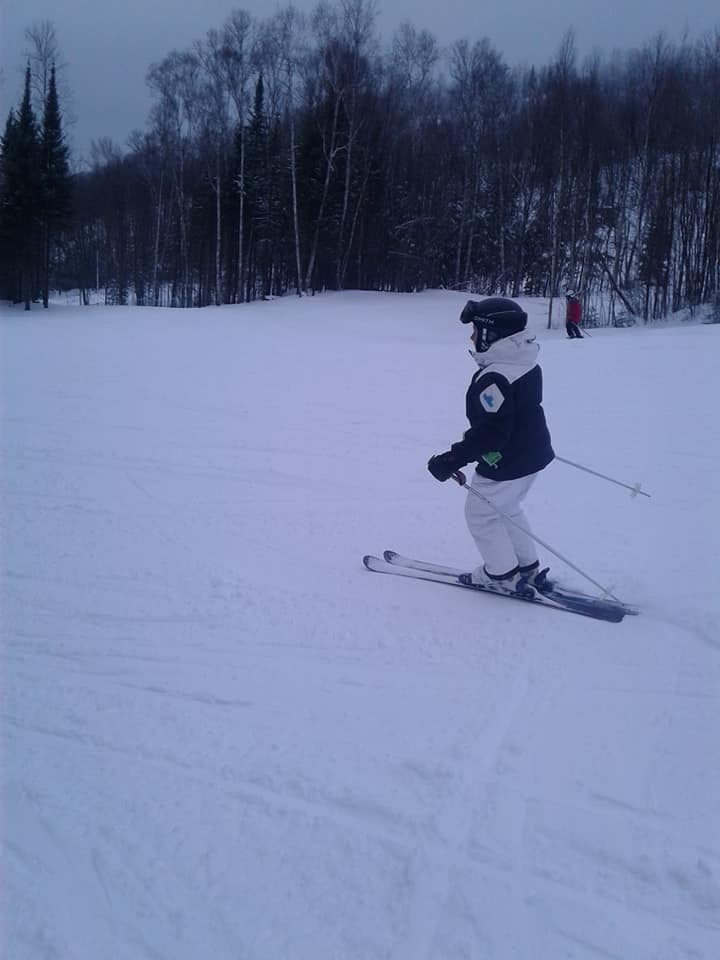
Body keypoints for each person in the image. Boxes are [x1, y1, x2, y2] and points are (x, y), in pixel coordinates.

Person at [427, 297, 555, 595]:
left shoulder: (495, 377)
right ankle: (527, 568)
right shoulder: (523, 361)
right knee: (507, 508)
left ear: (491, 334)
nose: (472, 337)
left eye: (476, 331)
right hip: (531, 454)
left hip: (507, 462)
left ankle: (501, 575)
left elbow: (491, 434)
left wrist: (450, 460)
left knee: (481, 514)